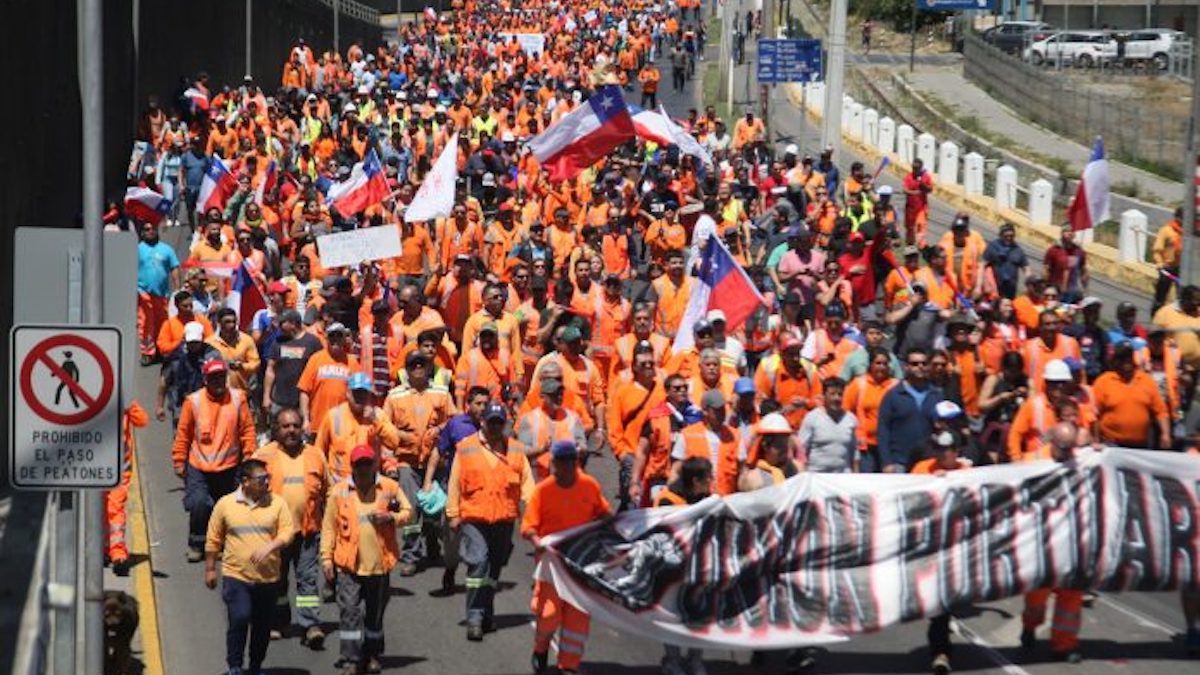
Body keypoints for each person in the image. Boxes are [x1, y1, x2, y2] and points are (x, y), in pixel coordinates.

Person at [321, 445, 413, 675]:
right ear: (352, 467)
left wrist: (391, 517)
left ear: (375, 465)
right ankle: (351, 658)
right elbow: (329, 528)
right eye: (358, 464)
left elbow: (409, 511)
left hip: (379, 566)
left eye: (367, 463)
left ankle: (372, 654)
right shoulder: (339, 492)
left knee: (375, 614)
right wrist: (326, 559)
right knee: (349, 612)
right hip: (349, 567)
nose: (363, 468)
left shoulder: (389, 487)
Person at [522, 440, 612, 675]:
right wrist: (537, 542)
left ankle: (568, 665)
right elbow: (529, 526)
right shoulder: (543, 491)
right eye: (557, 461)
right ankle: (540, 649)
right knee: (549, 615)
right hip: (551, 565)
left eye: (565, 461)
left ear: (574, 462)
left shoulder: (589, 486)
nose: (559, 466)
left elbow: (605, 514)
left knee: (577, 619)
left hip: (580, 566)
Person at [446, 402, 534, 641]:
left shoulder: (516, 450)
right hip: (475, 518)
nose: (495, 427)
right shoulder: (465, 448)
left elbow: (528, 487)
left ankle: (486, 612)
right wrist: (453, 514)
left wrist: (534, 517)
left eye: (499, 422)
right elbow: (454, 482)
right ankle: (474, 618)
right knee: (478, 565)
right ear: (482, 422)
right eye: (491, 422)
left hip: (504, 520)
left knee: (494, 569)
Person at [204, 458, 295, 675]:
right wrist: (209, 569)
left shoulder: (277, 503)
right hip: (237, 576)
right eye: (262, 479)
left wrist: (271, 546)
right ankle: (235, 666)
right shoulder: (225, 505)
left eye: (268, 478)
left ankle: (255, 666)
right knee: (240, 617)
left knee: (262, 627)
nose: (267, 483)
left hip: (268, 578)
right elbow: (213, 539)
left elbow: (287, 532)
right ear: (245, 481)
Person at [253, 407, 327, 648]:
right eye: (286, 426)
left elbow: (328, 492)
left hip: (307, 533)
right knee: (277, 581)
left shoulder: (315, 455)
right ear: (276, 429)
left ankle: (310, 624)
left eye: (295, 425)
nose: (292, 431)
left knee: (307, 580)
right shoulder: (262, 457)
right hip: (274, 535)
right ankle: (277, 621)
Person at [173, 358, 257, 562]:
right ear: (205, 380)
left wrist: (249, 456)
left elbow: (247, 429)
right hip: (199, 466)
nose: (218, 381)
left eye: (221, 376)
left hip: (229, 468)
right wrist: (178, 460)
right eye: (213, 378)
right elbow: (183, 433)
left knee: (226, 508)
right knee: (199, 503)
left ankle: (220, 544)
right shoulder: (193, 401)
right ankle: (197, 543)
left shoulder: (238, 399)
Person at [1019, 420, 1089, 663]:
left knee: (1071, 596)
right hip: (1042, 541)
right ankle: (1030, 625)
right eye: (1062, 447)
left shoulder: (1081, 460)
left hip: (1071, 541)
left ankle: (1064, 645)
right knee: (1037, 596)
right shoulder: (1032, 461)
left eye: (1071, 447)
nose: (1067, 453)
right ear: (1052, 443)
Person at [382, 351, 456, 575]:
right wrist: (399, 441)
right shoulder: (395, 396)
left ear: (429, 367)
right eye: (413, 364)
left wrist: (439, 429)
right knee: (411, 509)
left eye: (422, 364)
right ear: (406, 369)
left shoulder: (441, 393)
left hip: (435, 461)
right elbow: (384, 426)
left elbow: (452, 420)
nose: (417, 368)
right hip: (407, 460)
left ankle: (432, 544)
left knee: (434, 509)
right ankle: (411, 556)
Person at [910, 429, 972, 675]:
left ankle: (942, 642)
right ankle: (940, 652)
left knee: (951, 600)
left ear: (957, 451)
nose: (942, 454)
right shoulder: (921, 469)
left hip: (960, 547)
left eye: (948, 449)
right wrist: (930, 485)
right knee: (940, 605)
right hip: (932, 548)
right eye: (938, 449)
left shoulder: (967, 473)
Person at [877, 348, 943, 472]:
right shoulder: (893, 395)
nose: (920, 367)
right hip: (900, 463)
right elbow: (883, 430)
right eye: (915, 364)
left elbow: (943, 429)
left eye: (924, 363)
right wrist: (886, 462)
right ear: (906, 367)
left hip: (929, 463)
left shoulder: (936, 395)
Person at [1092, 343, 1171, 448]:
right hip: (1112, 444)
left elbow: (1161, 411)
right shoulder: (1103, 381)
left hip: (1141, 445)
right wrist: (1096, 440)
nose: (1126, 361)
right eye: (1122, 357)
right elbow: (1095, 415)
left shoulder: (1146, 380)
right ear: (1115, 360)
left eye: (1128, 357)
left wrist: (1165, 434)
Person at [672, 389, 742, 496]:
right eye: (716, 410)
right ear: (705, 411)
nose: (722, 413)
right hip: (695, 501)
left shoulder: (735, 435)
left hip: (726, 500)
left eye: (723, 409)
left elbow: (742, 470)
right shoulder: (687, 434)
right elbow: (676, 471)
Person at [137, 221, 182, 364]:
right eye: (147, 229)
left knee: (162, 323)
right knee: (145, 323)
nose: (150, 231)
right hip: (142, 292)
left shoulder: (166, 250)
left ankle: (160, 349)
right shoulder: (137, 249)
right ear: (142, 233)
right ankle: (147, 352)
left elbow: (174, 268)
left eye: (153, 229)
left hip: (162, 294)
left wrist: (177, 289)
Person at [795, 377, 858, 473]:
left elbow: (854, 452)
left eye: (840, 394)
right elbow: (801, 450)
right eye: (832, 394)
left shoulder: (850, 419)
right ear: (824, 395)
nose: (836, 398)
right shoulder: (812, 418)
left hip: (843, 476)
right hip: (817, 476)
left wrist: (856, 476)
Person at [1152, 207, 1184, 313]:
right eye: (1183, 218)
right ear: (1177, 217)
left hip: (1182, 269)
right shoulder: (1166, 230)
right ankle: (1156, 316)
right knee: (1160, 297)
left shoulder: (1189, 233)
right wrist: (1160, 263)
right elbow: (1157, 249)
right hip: (1167, 268)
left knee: (1183, 297)